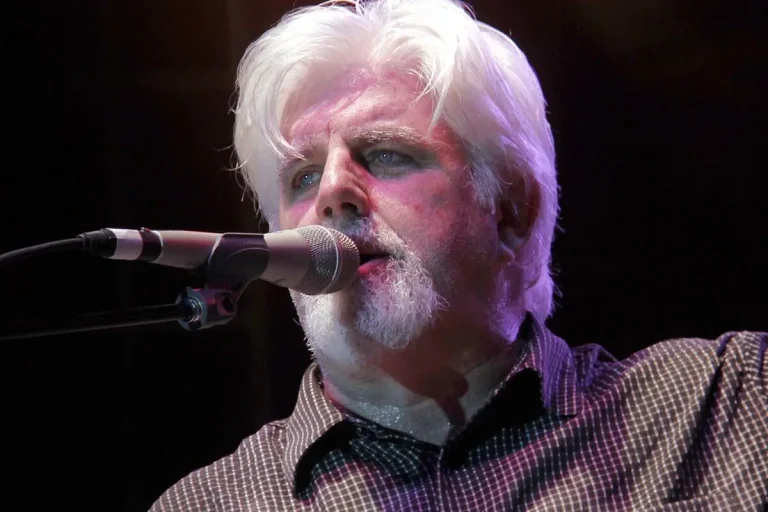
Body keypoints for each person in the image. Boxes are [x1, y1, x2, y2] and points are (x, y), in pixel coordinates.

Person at [150, 0, 767, 510]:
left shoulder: (729, 406)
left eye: (387, 154)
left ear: (511, 214)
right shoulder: (213, 502)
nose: (334, 192)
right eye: (303, 178)